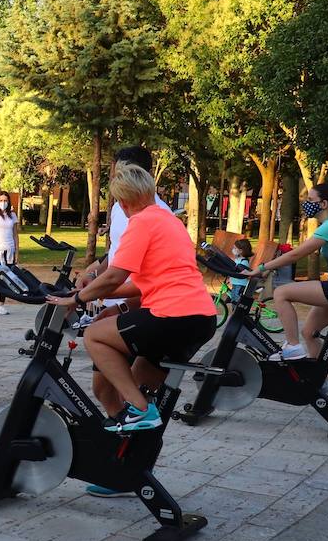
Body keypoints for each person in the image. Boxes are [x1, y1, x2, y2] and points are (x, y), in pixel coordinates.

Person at [51, 163, 216, 433]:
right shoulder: (170, 221)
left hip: (171, 317)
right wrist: (91, 292)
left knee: (94, 335)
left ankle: (140, 410)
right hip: (200, 318)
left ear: (124, 202)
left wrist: (78, 299)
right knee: (136, 383)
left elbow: (115, 275)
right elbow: (138, 286)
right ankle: (131, 451)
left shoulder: (141, 221)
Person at [253, 183, 328, 362]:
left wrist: (261, 268)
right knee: (309, 333)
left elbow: (297, 254)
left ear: (324, 204)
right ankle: (319, 382)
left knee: (281, 292)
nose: (306, 203)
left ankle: (292, 346)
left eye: (310, 200)